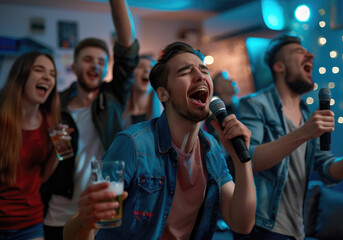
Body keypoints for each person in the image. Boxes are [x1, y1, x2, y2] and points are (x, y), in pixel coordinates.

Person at [63, 41, 256, 240]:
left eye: (204, 70)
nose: (200, 76)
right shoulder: (132, 144)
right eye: (185, 72)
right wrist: (85, 221)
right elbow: (78, 230)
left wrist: (242, 160)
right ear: (163, 93)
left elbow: (242, 224)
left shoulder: (211, 148)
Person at [235, 34, 343, 240]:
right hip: (262, 227)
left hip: (297, 229)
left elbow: (326, 170)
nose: (311, 55)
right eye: (299, 52)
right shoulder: (255, 105)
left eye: (308, 52)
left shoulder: (306, 114)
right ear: (279, 67)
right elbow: (249, 160)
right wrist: (304, 133)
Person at [41, 0, 139, 239]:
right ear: (74, 66)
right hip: (59, 214)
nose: (95, 65)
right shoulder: (55, 104)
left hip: (105, 213)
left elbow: (127, 50)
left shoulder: (112, 96)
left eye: (101, 61)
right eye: (88, 60)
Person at [0, 51, 60, 240]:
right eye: (39, 70)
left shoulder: (50, 123)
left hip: (30, 222)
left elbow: (43, 176)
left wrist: (59, 151)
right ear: (22, 75)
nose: (47, 77)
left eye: (52, 74)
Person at [121, 55, 163, 129]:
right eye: (140, 67)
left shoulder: (164, 115)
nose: (147, 70)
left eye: (151, 68)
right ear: (131, 75)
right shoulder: (120, 116)